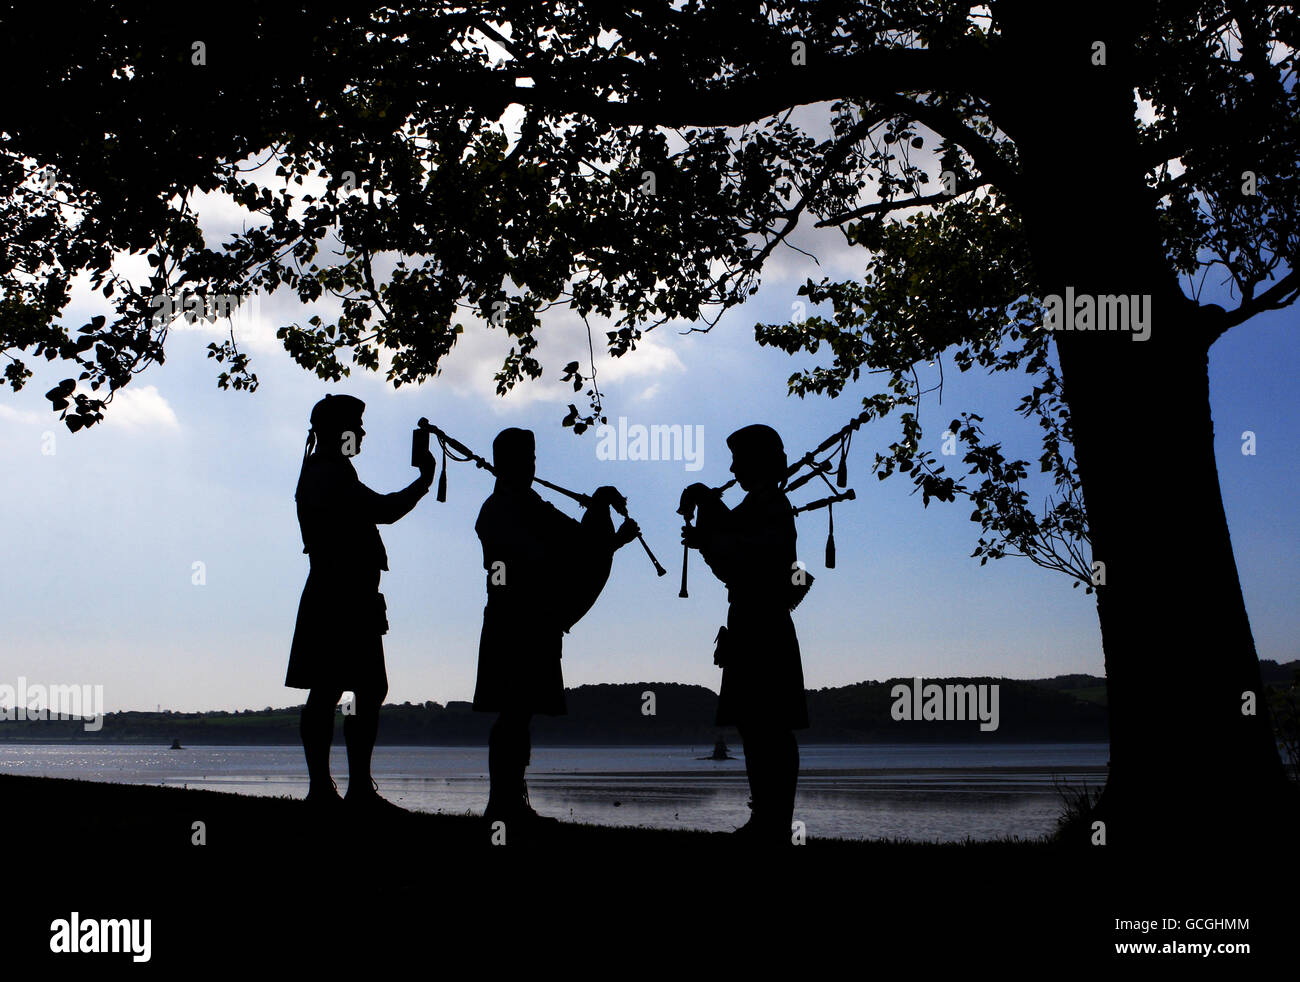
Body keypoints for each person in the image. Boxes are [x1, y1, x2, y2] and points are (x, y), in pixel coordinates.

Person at [473, 427, 640, 827]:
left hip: (526, 619)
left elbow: (575, 544)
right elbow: (566, 549)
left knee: (519, 713)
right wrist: (603, 520)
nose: (531, 467)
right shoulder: (504, 508)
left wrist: (606, 529)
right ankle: (504, 805)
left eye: (533, 460)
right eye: (524, 461)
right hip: (518, 620)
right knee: (514, 713)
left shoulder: (522, 504)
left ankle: (510, 801)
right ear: (505, 463)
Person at [286, 394, 436, 812]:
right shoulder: (329, 474)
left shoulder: (329, 471)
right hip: (341, 597)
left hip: (344, 595)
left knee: (343, 689)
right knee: (345, 689)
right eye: (358, 425)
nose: (364, 432)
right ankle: (341, 790)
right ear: (340, 431)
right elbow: (384, 510)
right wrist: (424, 481)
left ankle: (344, 790)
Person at [680, 424, 808, 844]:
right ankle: (766, 820)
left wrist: (707, 533)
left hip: (764, 624)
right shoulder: (759, 504)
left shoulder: (772, 505)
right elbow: (731, 557)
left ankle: (773, 823)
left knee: (769, 726)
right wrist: (705, 514)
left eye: (739, 459)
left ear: (758, 462)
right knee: (756, 727)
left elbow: (752, 553)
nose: (733, 467)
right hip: (751, 621)